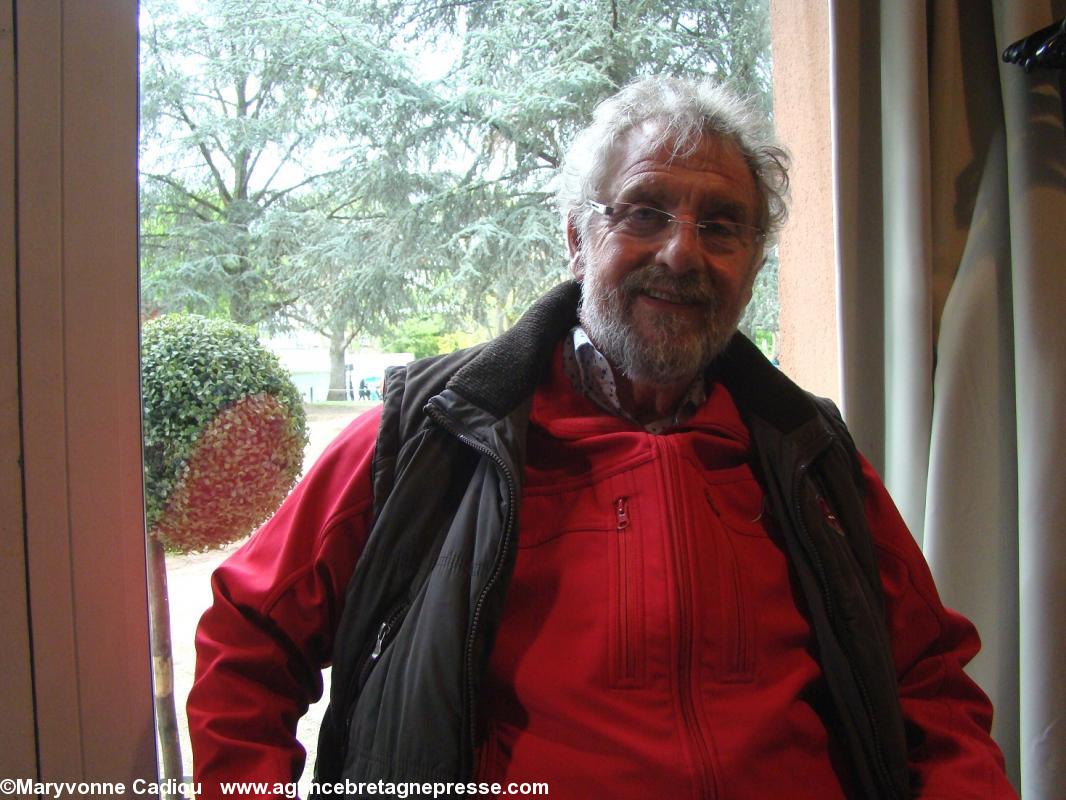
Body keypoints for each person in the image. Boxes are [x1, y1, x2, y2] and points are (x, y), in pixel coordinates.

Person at [188, 77, 1016, 799]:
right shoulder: (434, 431)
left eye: (722, 226)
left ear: (754, 263)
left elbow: (929, 687)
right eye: (645, 212)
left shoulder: (810, 452)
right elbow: (247, 639)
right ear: (578, 240)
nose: (682, 252)